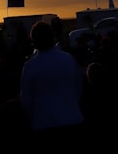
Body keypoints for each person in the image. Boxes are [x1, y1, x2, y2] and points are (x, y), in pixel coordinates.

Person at [19, 20, 84, 151]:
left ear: (34, 40)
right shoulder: (68, 59)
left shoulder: (31, 66)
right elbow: (79, 88)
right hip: (72, 121)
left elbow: (26, 100)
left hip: (44, 125)